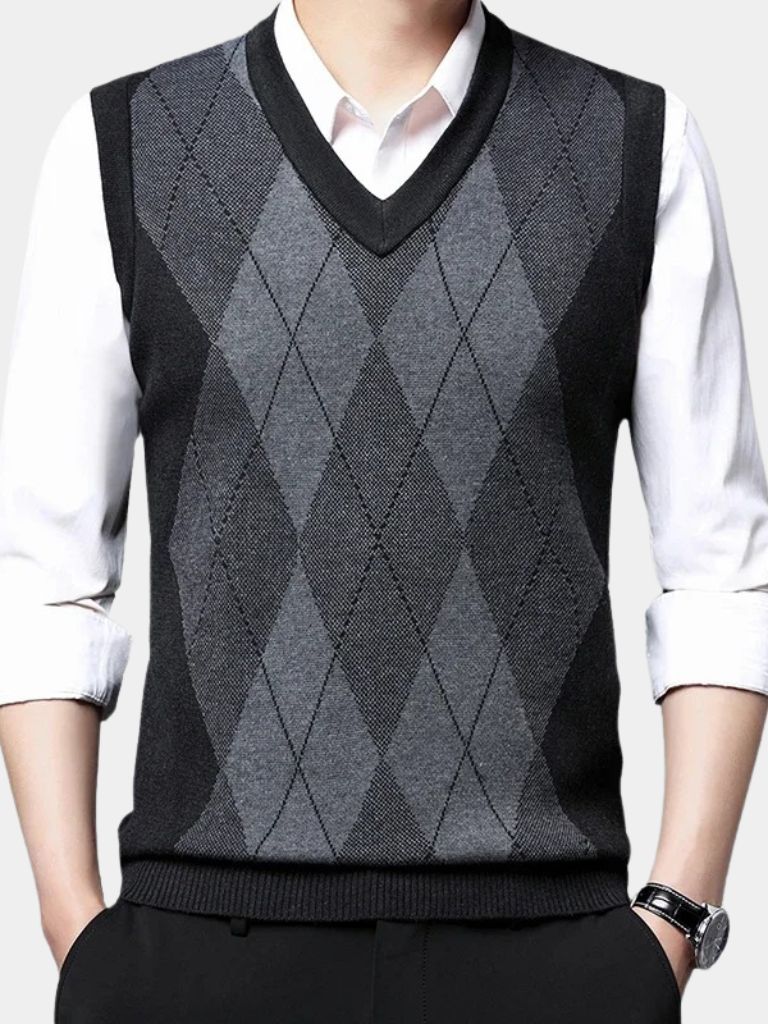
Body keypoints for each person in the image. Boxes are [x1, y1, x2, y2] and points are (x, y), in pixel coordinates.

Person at [1, 0, 766, 1020]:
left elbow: (722, 571)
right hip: (197, 956)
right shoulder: (124, 141)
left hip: (550, 954)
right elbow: (45, 579)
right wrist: (78, 930)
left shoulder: (637, 142)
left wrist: (669, 925)